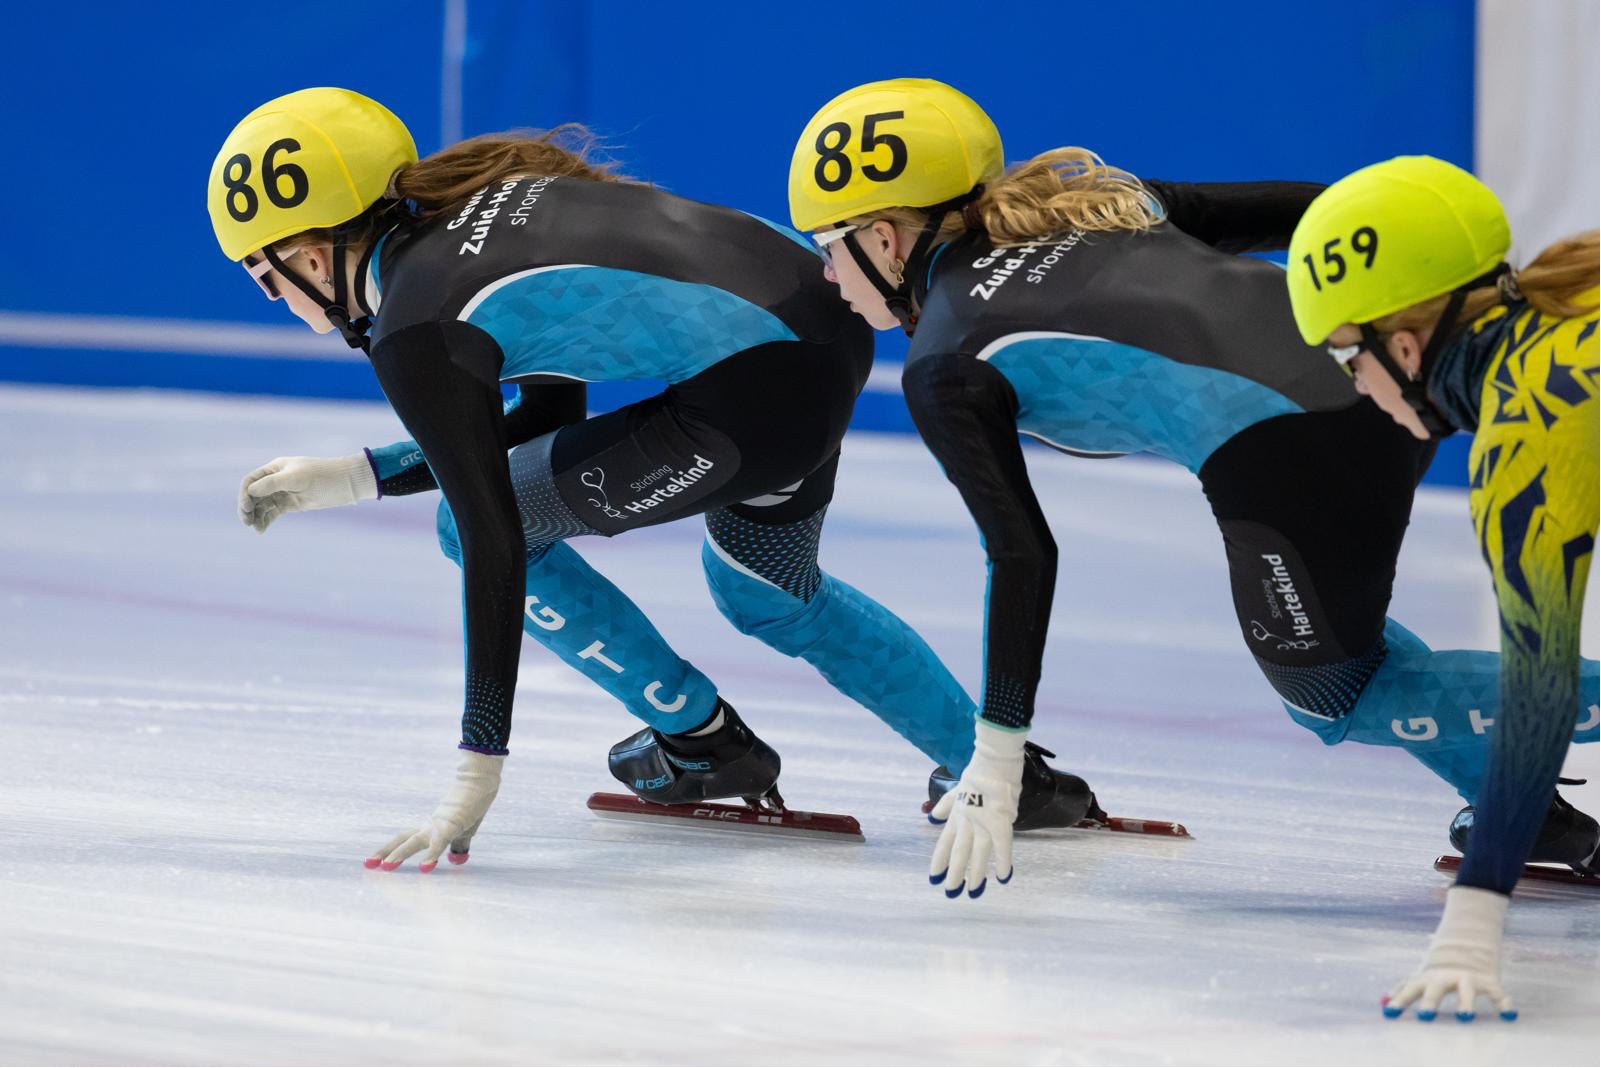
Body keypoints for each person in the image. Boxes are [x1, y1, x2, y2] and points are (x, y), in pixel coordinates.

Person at [211, 88, 1095, 874]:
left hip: (754, 397)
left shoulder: (414, 322)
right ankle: (1004, 772)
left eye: (267, 278)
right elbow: (544, 416)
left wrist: (476, 769)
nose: (280, 303)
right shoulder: (474, 213)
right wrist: (361, 475)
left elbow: (490, 534)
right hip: (821, 338)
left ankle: (700, 740)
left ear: (311, 257)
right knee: (768, 595)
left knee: (465, 528)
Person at [784, 78, 1599, 900]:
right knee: (1342, 642)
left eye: (828, 245)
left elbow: (1021, 554)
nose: (826, 273)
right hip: (1376, 372)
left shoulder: (944, 359)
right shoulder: (1093, 204)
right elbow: (1328, 211)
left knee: (1334, 694)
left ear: (883, 239)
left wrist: (995, 760)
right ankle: (1527, 812)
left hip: (1284, 451)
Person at [1286, 156, 1599, 1022]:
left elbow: (1539, 690)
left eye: (1344, 355)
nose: (1352, 384)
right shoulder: (1574, 297)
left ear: (1404, 347)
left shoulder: (1526, 432)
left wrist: (1474, 917)